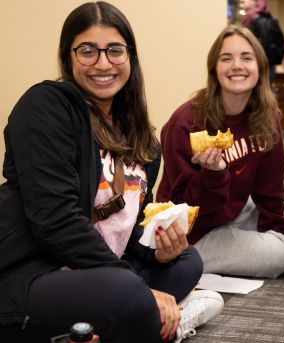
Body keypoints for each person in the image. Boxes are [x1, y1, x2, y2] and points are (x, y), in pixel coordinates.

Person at [0, 2, 224, 343]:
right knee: (126, 291)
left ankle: (121, 321)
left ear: (130, 57)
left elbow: (127, 229)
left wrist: (156, 250)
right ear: (68, 56)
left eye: (114, 51)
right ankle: (157, 320)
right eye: (88, 51)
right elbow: (54, 221)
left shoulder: (143, 139)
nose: (102, 63)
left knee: (187, 261)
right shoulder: (46, 106)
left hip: (96, 271)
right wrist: (139, 288)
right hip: (34, 272)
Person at [157, 25, 284, 279]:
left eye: (246, 57)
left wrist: (281, 232)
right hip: (196, 233)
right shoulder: (186, 123)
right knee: (280, 257)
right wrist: (213, 174)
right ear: (214, 69)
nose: (237, 66)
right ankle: (258, 243)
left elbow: (270, 192)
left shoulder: (267, 118)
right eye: (226, 58)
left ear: (260, 68)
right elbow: (184, 208)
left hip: (240, 208)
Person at [240, 0, 284, 82]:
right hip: (270, 61)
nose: (241, 5)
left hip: (257, 61)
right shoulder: (268, 16)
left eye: (243, 1)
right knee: (265, 88)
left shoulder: (250, 17)